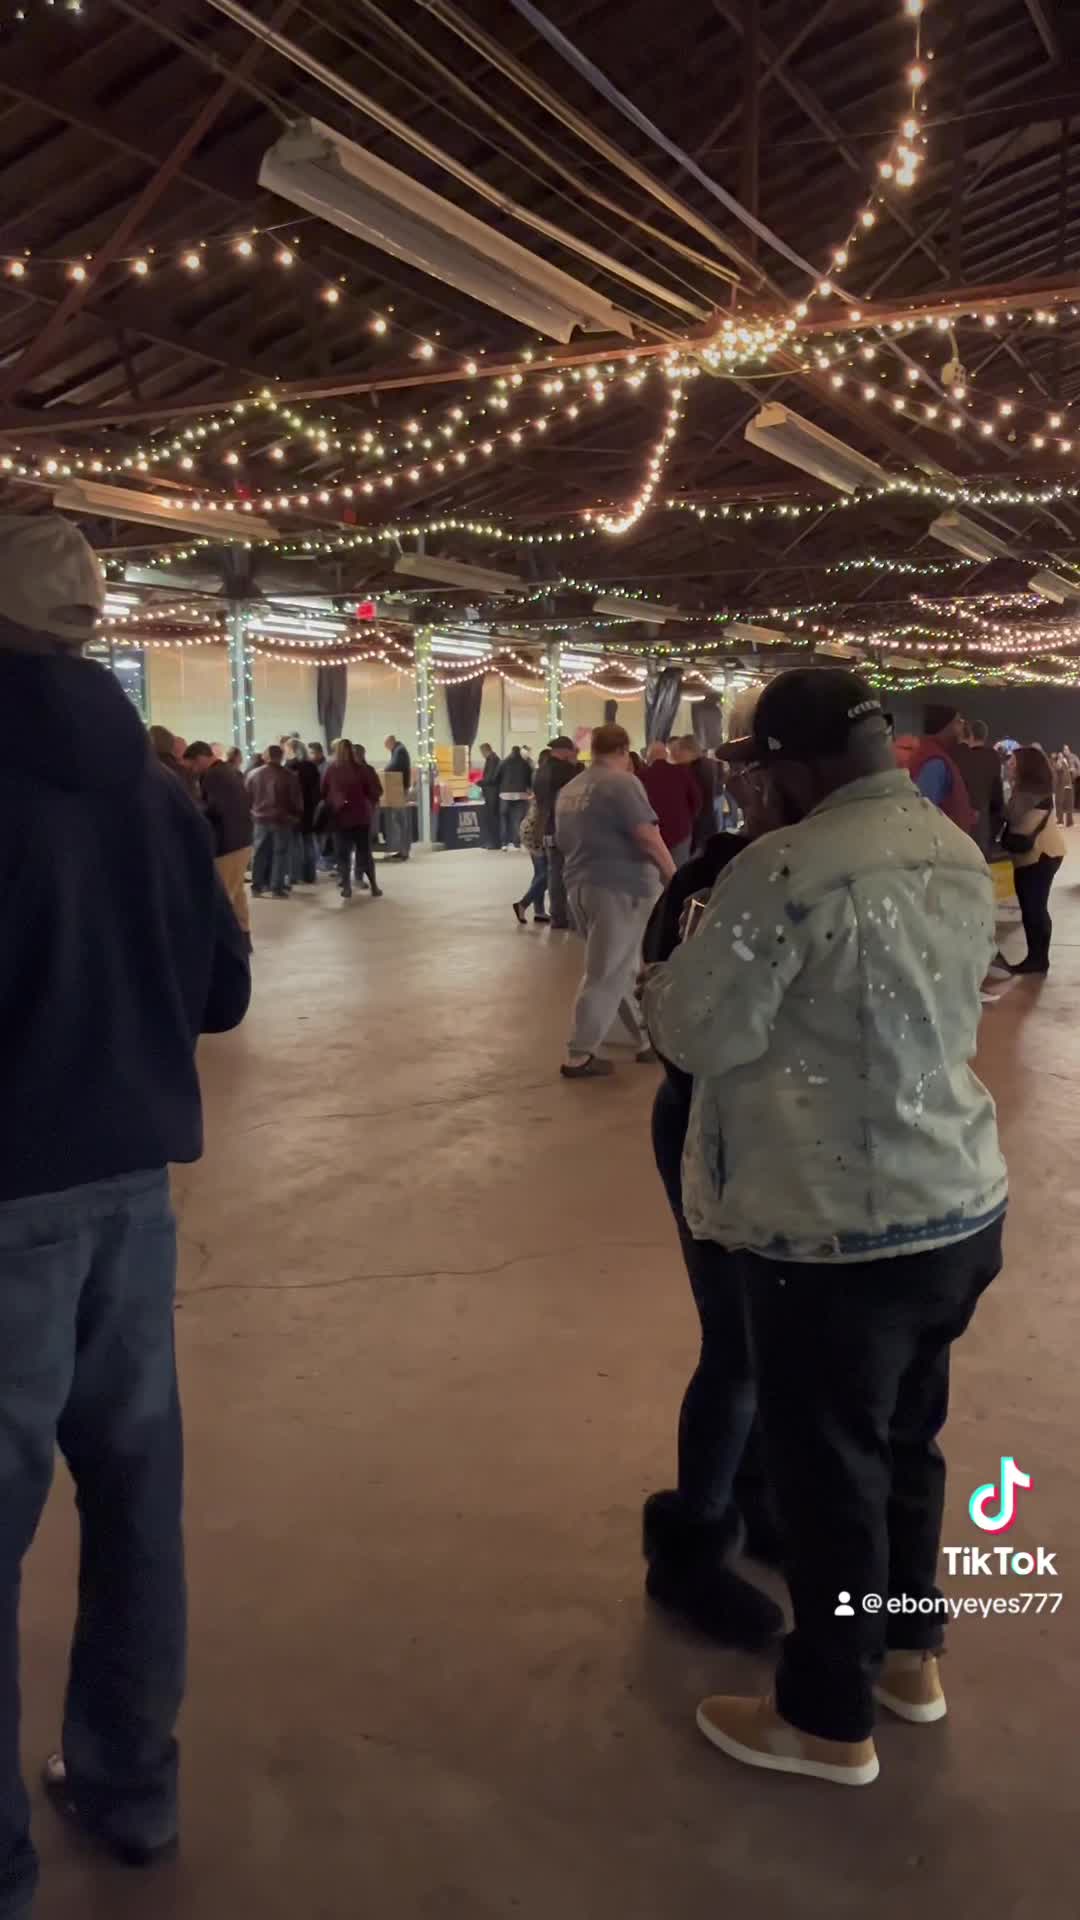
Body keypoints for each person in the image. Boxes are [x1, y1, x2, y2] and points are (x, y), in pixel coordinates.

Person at [643, 668, 1007, 1788]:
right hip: (958, 1206)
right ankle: (909, 1658)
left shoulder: (782, 870)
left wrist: (660, 982)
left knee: (826, 1476)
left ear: (795, 765)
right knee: (906, 1448)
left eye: (757, 770)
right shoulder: (953, 846)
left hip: (832, 1233)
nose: (752, 792)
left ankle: (826, 1717)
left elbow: (696, 1031)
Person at [0, 512, 250, 1911]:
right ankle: (127, 1781)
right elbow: (223, 992)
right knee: (134, 1494)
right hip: (130, 1198)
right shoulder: (160, 792)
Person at [640, 752, 789, 1648]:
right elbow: (680, 1026)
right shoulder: (718, 880)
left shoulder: (823, 873)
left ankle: (754, 1496)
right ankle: (692, 1548)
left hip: (783, 1144)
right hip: (713, 1131)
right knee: (736, 1345)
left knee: (774, 1341)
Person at [555, 723, 676, 1079]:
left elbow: (561, 840)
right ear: (624, 750)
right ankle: (579, 1055)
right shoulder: (622, 783)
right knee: (605, 972)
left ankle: (643, 1040)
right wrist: (675, 877)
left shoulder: (571, 788)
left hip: (579, 885)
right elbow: (647, 836)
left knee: (619, 966)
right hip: (622, 888)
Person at [996, 744, 1065, 975]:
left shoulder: (1029, 792)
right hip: (1042, 854)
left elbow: (1009, 814)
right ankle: (1037, 958)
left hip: (1039, 855)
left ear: (1026, 766)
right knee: (1035, 907)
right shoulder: (1034, 788)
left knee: (1033, 908)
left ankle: (1037, 960)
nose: (1009, 765)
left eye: (1014, 762)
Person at [194, 743, 255, 949]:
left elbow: (214, 808)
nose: (193, 771)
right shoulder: (230, 772)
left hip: (227, 844)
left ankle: (223, 945)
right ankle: (243, 938)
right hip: (243, 840)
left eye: (193, 765)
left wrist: (195, 810)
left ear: (201, 758)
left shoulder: (213, 776)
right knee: (237, 895)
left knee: (222, 898)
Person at [900, 703, 977, 832]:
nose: (962, 727)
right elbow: (923, 810)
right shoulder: (935, 761)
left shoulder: (933, 753)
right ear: (946, 726)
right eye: (958, 722)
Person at [323, 738, 383, 900]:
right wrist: (367, 803)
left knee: (343, 854)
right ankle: (374, 886)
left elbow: (323, 791)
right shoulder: (364, 769)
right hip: (362, 817)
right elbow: (376, 791)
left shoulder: (332, 770)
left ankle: (347, 887)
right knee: (365, 852)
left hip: (340, 818)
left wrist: (335, 802)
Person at [531, 736, 580, 927]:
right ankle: (568, 917)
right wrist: (576, 763)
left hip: (545, 826)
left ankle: (557, 916)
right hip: (564, 826)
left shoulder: (540, 771)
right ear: (565, 751)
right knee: (568, 873)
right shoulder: (566, 770)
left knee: (554, 872)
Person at [246, 744, 300, 898]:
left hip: (259, 819)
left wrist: (251, 813)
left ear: (266, 756)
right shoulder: (289, 776)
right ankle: (277, 887)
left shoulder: (253, 774)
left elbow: (247, 797)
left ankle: (256, 886)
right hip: (282, 819)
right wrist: (295, 815)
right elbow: (295, 799)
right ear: (281, 757)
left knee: (259, 853)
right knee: (280, 854)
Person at [640, 740, 702, 866]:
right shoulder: (682, 771)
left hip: (652, 834)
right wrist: (687, 819)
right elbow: (697, 800)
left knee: (655, 876)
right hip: (680, 831)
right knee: (679, 875)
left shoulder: (641, 776)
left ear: (648, 758)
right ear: (666, 755)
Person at [954, 718, 1006, 858]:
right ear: (985, 736)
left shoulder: (961, 757)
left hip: (962, 823)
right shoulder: (993, 757)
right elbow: (997, 797)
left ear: (970, 734)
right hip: (985, 824)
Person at [512, 772, 551, 925]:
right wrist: (538, 838)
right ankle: (523, 904)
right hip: (536, 833)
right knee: (547, 874)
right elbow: (542, 818)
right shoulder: (548, 794)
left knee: (540, 874)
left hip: (530, 830)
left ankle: (539, 911)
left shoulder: (542, 789)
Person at [672, 735, 719, 852]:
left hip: (696, 824)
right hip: (709, 818)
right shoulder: (709, 764)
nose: (675, 755)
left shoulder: (690, 769)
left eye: (678, 751)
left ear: (687, 750)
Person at [285, 740, 321, 886]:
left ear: (292, 750)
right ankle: (310, 875)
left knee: (294, 843)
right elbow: (317, 791)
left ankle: (294, 875)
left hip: (294, 810)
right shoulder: (312, 766)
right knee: (308, 842)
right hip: (310, 809)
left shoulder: (289, 767)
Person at [383, 735, 412, 861]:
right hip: (398, 788)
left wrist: (383, 770)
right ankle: (402, 849)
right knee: (399, 820)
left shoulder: (399, 751)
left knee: (401, 820)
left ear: (391, 742)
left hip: (399, 788)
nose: (387, 749)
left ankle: (404, 850)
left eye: (387, 746)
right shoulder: (399, 750)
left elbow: (393, 767)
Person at [497, 744, 533, 848]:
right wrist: (529, 789)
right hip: (521, 794)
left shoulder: (503, 762)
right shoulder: (525, 764)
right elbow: (530, 779)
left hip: (505, 794)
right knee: (518, 819)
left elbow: (497, 777)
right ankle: (517, 843)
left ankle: (504, 843)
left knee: (503, 818)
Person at [478, 741, 503, 850]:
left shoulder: (492, 760)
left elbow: (491, 778)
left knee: (492, 819)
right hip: (492, 793)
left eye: (482, 752)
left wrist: (480, 782)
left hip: (492, 793)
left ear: (485, 750)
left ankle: (494, 843)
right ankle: (492, 842)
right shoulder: (493, 759)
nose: (481, 754)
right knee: (491, 819)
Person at [1051, 749, 1074, 828]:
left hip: (1068, 786)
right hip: (1061, 786)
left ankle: (1070, 822)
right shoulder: (1057, 763)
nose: (1061, 756)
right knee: (1059, 803)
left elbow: (1072, 771)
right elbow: (1058, 768)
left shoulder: (1066, 762)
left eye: (1062, 755)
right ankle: (1060, 821)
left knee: (1069, 804)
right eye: (1059, 755)